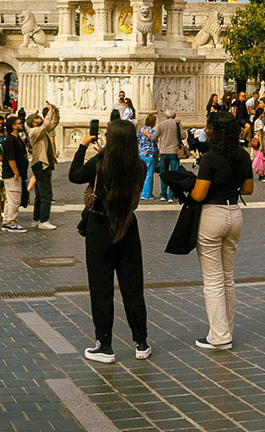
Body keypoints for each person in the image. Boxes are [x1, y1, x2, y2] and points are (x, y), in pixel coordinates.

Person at [69, 119, 150, 363]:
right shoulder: (139, 166)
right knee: (133, 287)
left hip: (100, 227)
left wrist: (83, 147)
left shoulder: (100, 163)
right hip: (127, 226)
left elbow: (74, 176)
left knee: (101, 287)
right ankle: (141, 342)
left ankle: (104, 344)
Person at [188, 111, 254, 351]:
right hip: (234, 214)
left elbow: (198, 194)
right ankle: (226, 330)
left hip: (212, 216)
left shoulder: (210, 158)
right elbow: (248, 189)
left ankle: (219, 335)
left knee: (213, 279)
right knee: (228, 277)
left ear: (214, 131)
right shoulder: (243, 156)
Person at [28, 104, 60, 229]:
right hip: (41, 164)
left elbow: (54, 123)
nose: (39, 118)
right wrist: (50, 111)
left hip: (43, 163)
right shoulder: (35, 131)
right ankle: (44, 220)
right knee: (46, 194)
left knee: (39, 194)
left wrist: (55, 112)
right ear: (33, 123)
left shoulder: (40, 130)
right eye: (37, 117)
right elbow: (47, 124)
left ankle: (36, 219)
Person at [1, 114, 29, 233]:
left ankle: (7, 220)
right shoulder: (11, 140)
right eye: (19, 123)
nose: (22, 125)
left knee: (10, 199)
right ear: (13, 126)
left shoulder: (17, 139)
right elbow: (11, 158)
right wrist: (16, 172)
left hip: (14, 174)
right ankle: (12, 222)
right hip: (12, 174)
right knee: (15, 199)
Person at [150, 108, 184, 201]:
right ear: (175, 115)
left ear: (166, 116)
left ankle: (163, 194)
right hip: (174, 152)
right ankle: (171, 196)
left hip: (164, 152)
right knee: (174, 174)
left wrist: (147, 134)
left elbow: (153, 137)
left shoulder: (161, 124)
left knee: (163, 173)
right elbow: (183, 136)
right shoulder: (177, 124)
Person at [137, 114, 158, 200]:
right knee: (149, 175)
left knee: (142, 174)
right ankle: (147, 194)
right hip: (149, 154)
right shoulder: (152, 132)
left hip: (141, 154)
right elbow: (155, 142)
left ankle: (141, 192)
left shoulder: (141, 130)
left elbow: (137, 139)